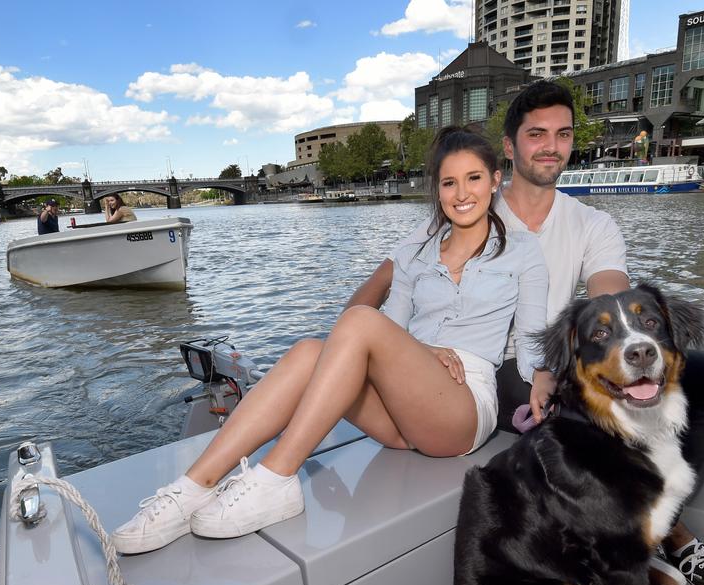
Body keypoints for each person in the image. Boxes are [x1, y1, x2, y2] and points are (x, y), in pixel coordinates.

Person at [347, 80, 704, 585]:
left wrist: (623, 353)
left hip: (568, 358)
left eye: (562, 134)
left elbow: (608, 292)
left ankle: (652, 524)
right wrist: (357, 330)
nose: (550, 146)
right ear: (509, 146)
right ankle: (665, 541)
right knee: (579, 417)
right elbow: (388, 277)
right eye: (536, 133)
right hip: (497, 365)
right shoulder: (470, 201)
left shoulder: (591, 222)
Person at [110, 126, 551, 554]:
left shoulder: (523, 250)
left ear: (496, 179)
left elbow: (533, 338)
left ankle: (277, 478)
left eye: (473, 178)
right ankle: (192, 488)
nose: (461, 193)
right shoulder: (414, 253)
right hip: (400, 409)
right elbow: (393, 330)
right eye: (449, 182)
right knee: (308, 351)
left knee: (358, 319)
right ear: (436, 189)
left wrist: (545, 380)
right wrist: (421, 352)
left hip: (461, 407)